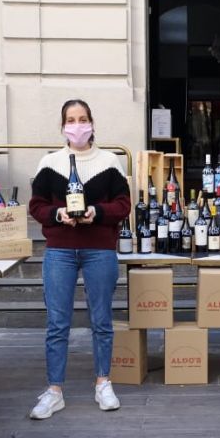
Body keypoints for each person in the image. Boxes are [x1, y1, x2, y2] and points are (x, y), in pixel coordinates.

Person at [27, 99, 131, 419]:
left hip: (99, 249)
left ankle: (103, 382)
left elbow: (123, 205)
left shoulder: (110, 162)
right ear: (62, 126)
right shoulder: (50, 163)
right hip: (60, 250)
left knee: (101, 321)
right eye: (71, 120)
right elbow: (36, 206)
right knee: (58, 323)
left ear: (92, 123)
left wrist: (96, 212)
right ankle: (54, 390)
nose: (77, 125)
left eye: (82, 118)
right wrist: (58, 214)